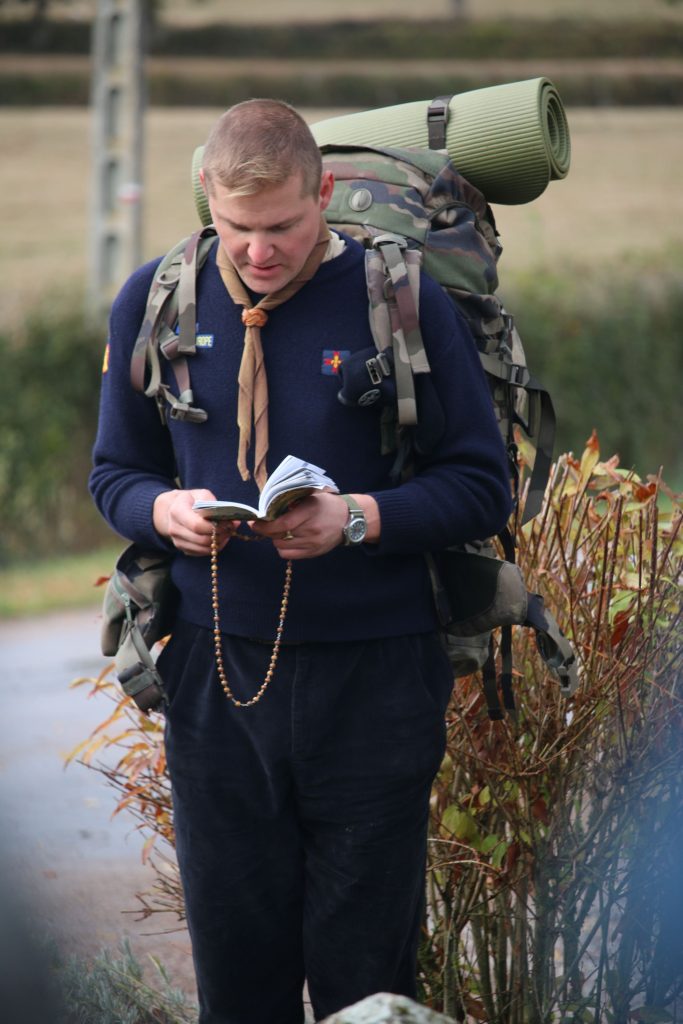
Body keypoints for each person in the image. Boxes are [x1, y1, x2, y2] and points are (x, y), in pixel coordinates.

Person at [90, 98, 512, 1024]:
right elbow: (114, 473)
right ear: (206, 197)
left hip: (379, 678)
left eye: (282, 224)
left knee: (367, 985)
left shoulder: (400, 299)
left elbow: (485, 485)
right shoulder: (153, 300)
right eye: (237, 228)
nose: (258, 250)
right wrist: (163, 509)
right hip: (215, 681)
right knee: (239, 989)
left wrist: (357, 518)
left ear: (322, 193)